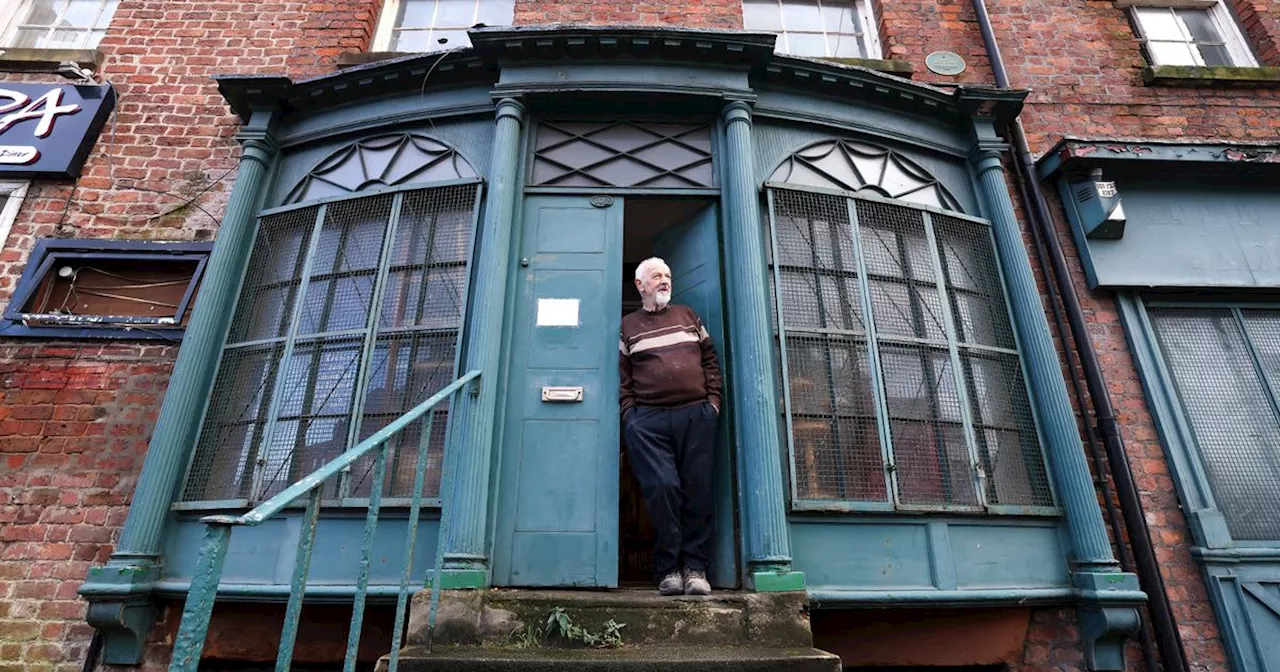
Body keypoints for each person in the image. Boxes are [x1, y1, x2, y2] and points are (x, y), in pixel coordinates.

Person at [619, 257, 721, 596]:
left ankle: (695, 569)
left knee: (698, 489)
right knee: (663, 488)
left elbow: (710, 359)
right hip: (648, 420)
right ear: (640, 285)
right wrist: (630, 416)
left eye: (668, 276)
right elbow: (624, 377)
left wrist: (713, 403)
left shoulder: (688, 316)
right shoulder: (628, 325)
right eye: (656, 276)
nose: (664, 281)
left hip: (696, 414)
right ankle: (668, 570)